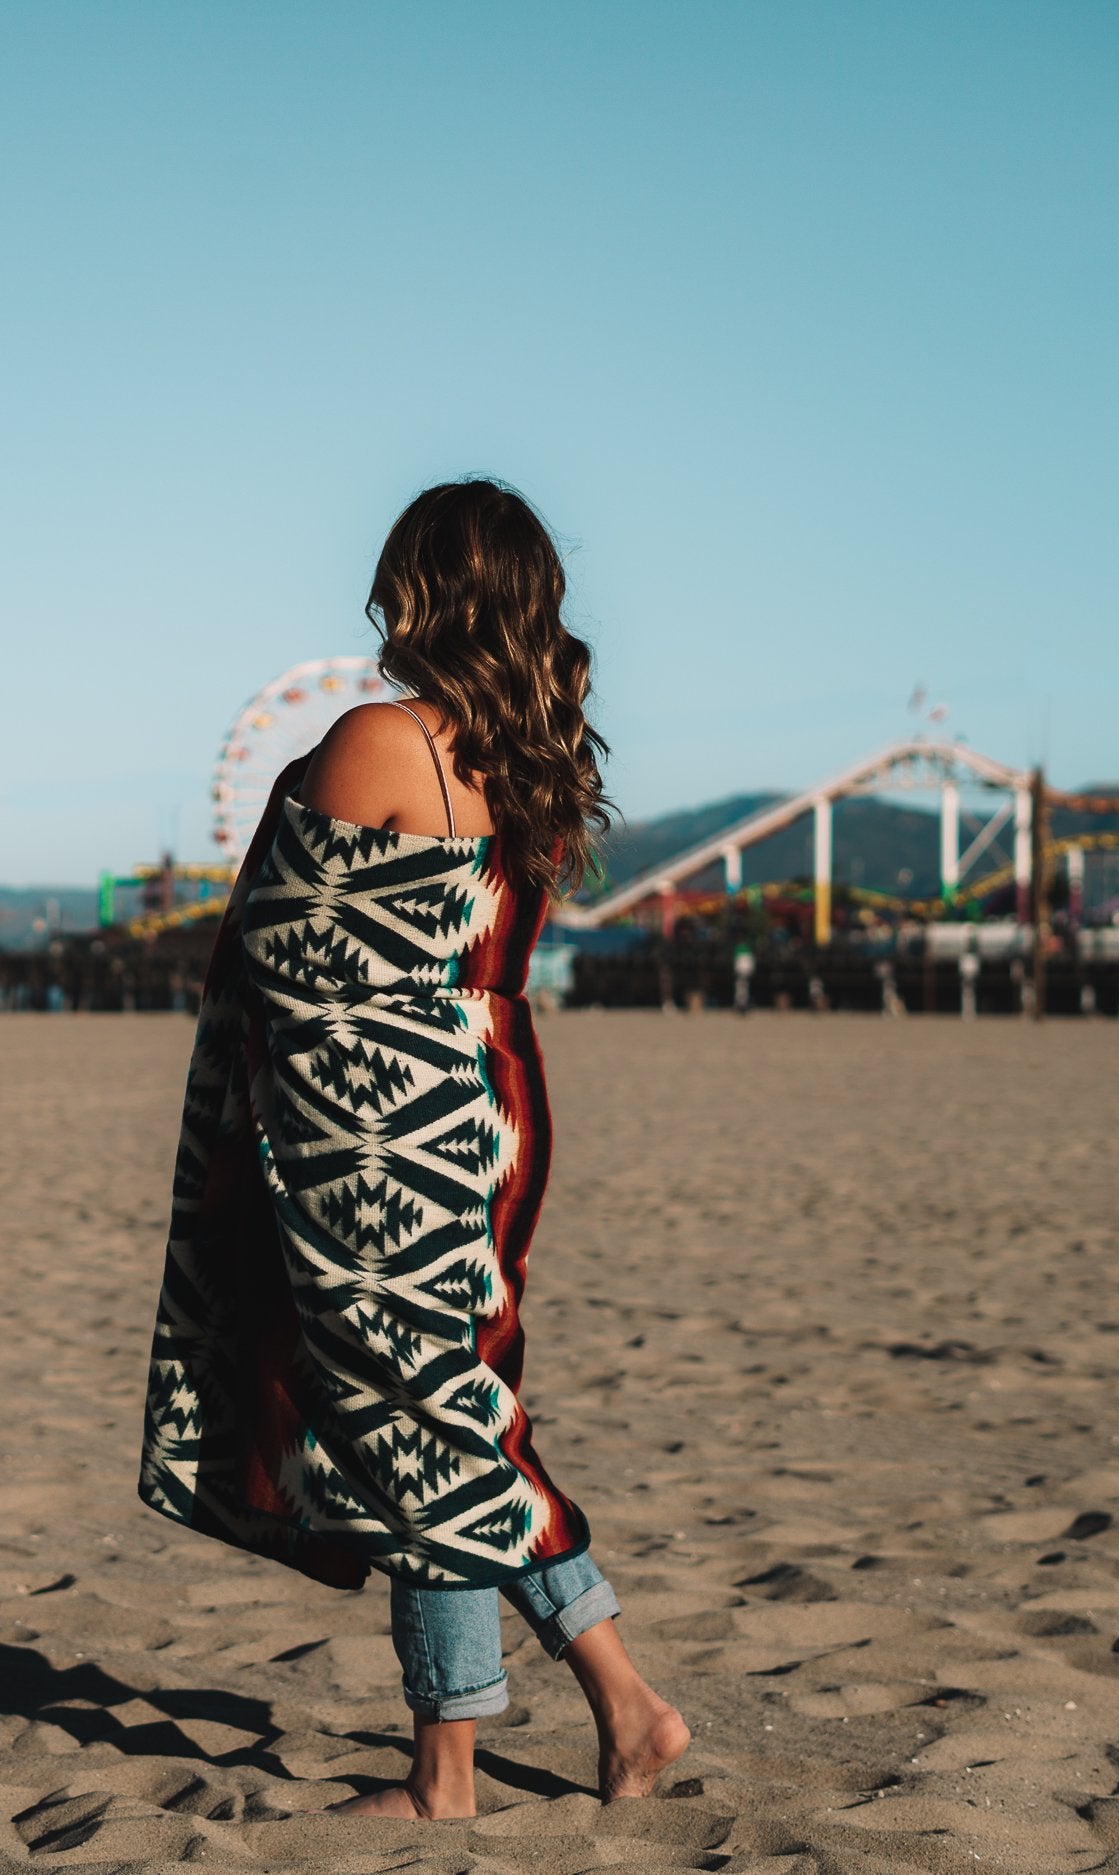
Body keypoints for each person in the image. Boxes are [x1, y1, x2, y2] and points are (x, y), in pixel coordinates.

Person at [137, 478, 688, 1817]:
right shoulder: (534, 752)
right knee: (451, 1401)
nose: (379, 606)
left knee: (419, 1417)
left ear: (427, 591)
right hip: (489, 1107)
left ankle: (485, 1757)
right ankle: (610, 1710)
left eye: (395, 582)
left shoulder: (381, 739)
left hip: (381, 1125)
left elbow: (285, 941)